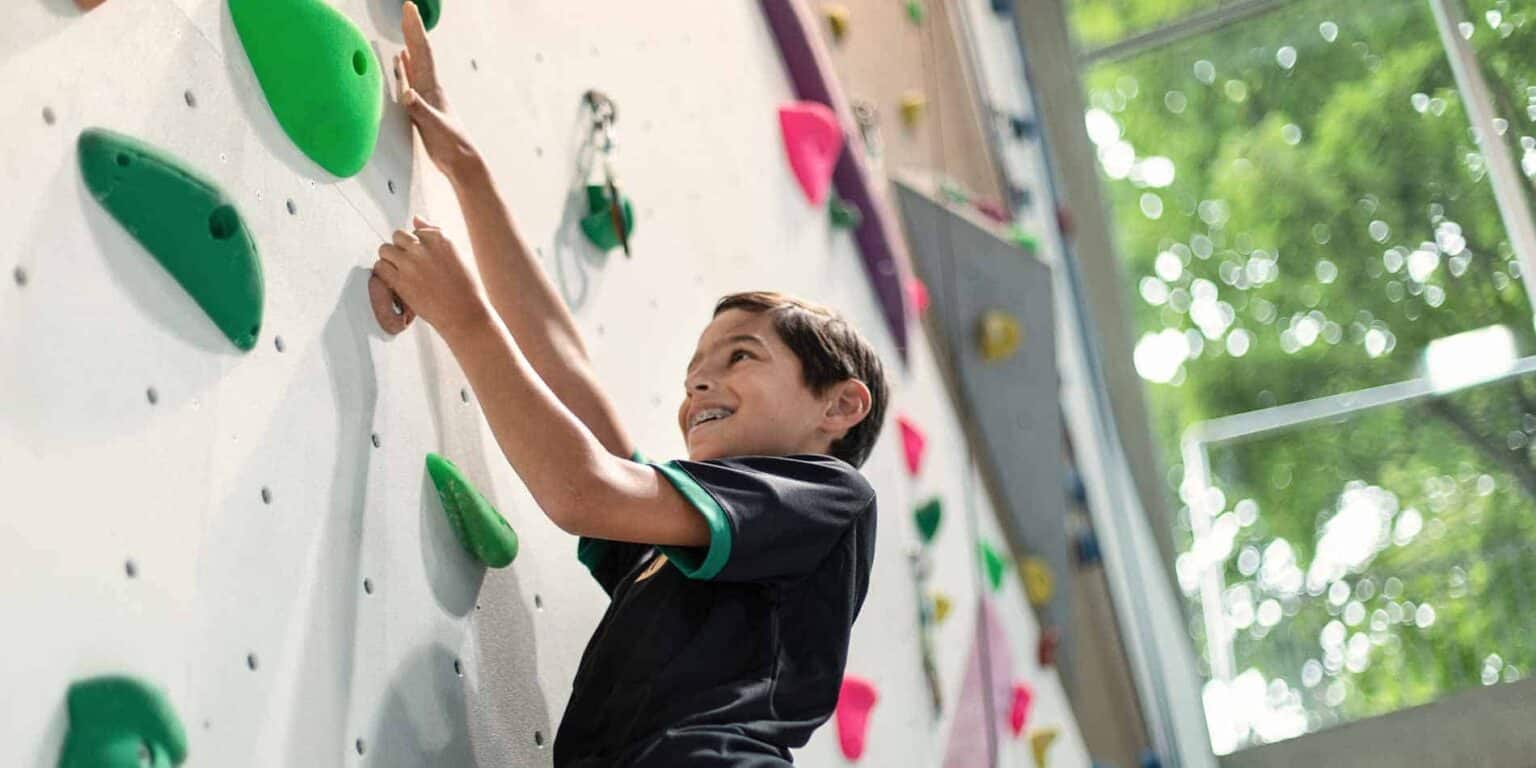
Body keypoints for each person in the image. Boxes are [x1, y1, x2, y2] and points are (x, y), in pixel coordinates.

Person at [373, 4, 890, 764]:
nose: (701, 383)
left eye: (741, 356)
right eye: (693, 374)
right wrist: (469, 174)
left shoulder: (829, 495)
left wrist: (465, 318)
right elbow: (568, 372)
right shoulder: (687, 543)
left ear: (840, 405)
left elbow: (581, 488)